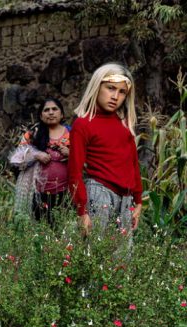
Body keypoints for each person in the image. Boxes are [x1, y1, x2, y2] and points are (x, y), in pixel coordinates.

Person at [67, 63, 142, 235]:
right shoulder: (83, 124)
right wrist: (82, 211)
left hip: (126, 199)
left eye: (122, 92)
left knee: (124, 251)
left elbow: (133, 164)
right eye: (110, 88)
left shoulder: (124, 125)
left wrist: (138, 201)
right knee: (95, 248)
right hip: (99, 194)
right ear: (97, 86)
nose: (115, 96)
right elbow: (74, 171)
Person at [10, 98, 71, 222]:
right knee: (39, 227)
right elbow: (16, 159)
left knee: (63, 226)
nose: (51, 112)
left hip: (66, 192)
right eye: (46, 110)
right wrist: (36, 155)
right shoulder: (33, 134)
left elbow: (84, 158)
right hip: (37, 193)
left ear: (62, 114)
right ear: (41, 116)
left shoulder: (72, 133)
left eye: (54, 109)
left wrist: (71, 154)